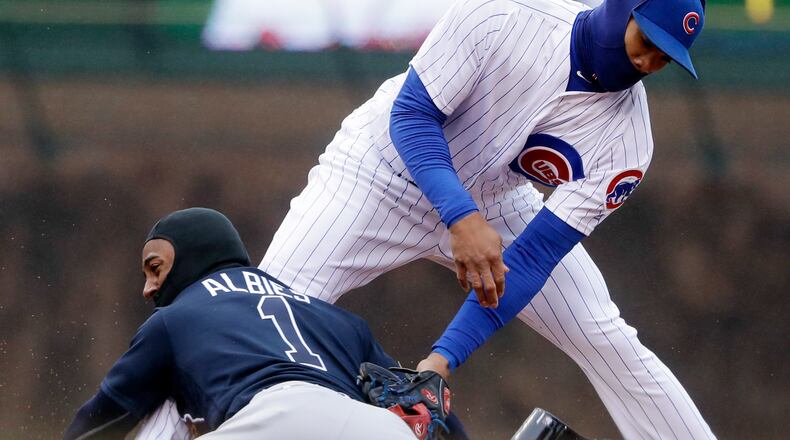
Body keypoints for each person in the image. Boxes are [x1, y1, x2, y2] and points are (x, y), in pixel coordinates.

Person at [258, 0, 716, 438]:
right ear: (622, 10)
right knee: (262, 317)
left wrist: (442, 360)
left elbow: (534, 257)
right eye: (647, 40)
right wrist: (461, 217)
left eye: (665, 58)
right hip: (380, 174)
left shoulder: (629, 142)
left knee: (607, 339)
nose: (647, 62)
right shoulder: (504, 13)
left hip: (498, 204)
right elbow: (413, 115)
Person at [64, 208, 464, 439]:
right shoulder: (337, 319)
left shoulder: (175, 319)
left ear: (194, 254)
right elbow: (422, 402)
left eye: (156, 268)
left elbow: (102, 419)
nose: (149, 288)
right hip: (373, 430)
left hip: (267, 423)